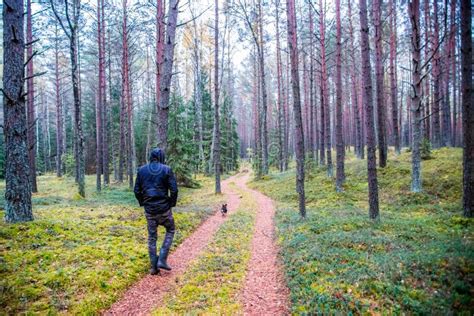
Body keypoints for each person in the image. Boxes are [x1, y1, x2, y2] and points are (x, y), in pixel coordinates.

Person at [134, 148, 178, 275]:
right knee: (170, 230)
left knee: (152, 238)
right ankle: (162, 259)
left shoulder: (141, 170)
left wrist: (143, 203)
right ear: (161, 157)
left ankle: (154, 267)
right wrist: (171, 204)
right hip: (164, 209)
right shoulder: (166, 169)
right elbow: (174, 190)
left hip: (150, 211)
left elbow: (136, 191)